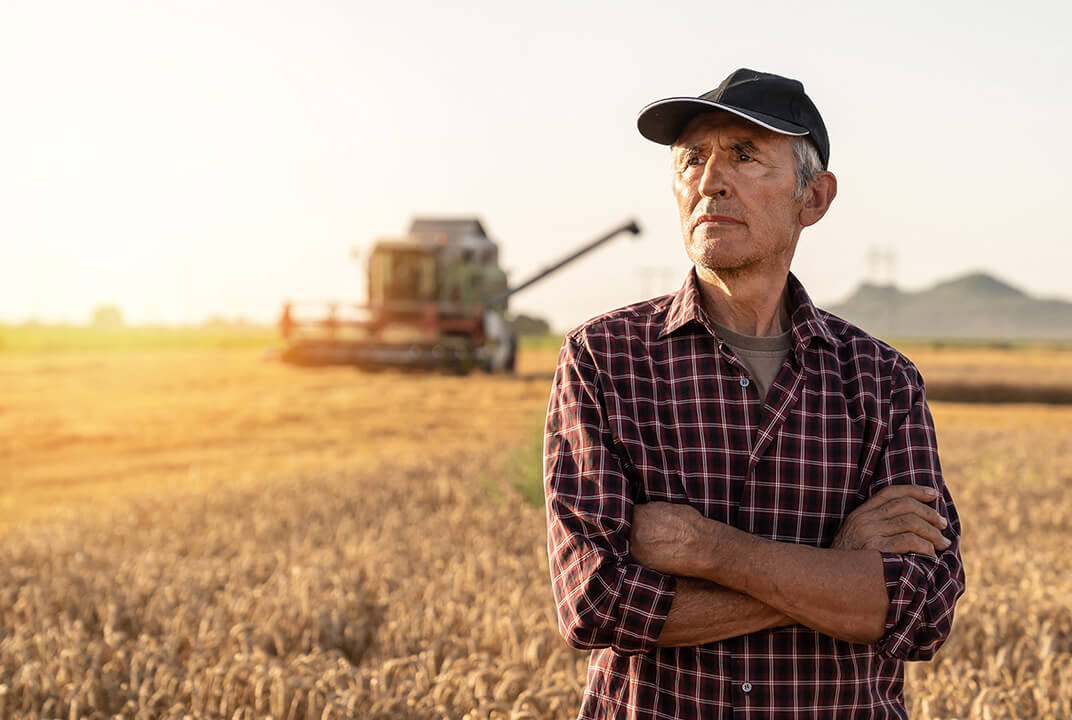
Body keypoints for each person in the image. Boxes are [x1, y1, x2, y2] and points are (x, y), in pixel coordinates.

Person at [543, 69, 965, 719]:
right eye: (692, 159)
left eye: (744, 155)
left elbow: (922, 608)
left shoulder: (883, 383)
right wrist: (837, 569)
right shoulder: (605, 361)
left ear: (814, 198)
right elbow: (598, 603)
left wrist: (709, 551)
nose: (710, 178)